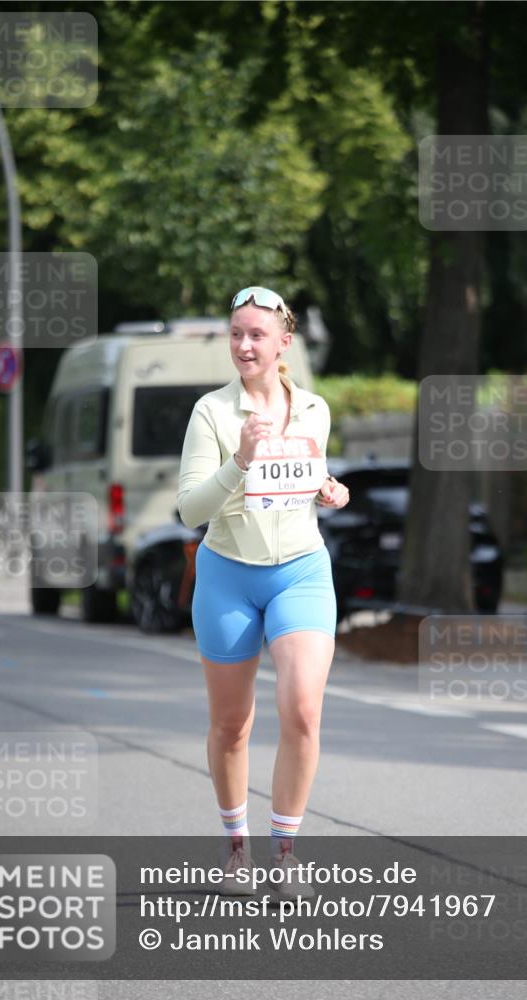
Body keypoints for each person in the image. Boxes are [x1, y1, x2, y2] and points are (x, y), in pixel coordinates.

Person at [178, 285, 349, 896]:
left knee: (302, 709)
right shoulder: (212, 413)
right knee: (232, 725)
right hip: (228, 574)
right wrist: (239, 463)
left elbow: (306, 478)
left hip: (300, 570)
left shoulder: (315, 409)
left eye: (257, 334)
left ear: (284, 342)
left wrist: (330, 490)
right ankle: (235, 849)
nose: (245, 345)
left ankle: (285, 853)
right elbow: (188, 509)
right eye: (236, 334)